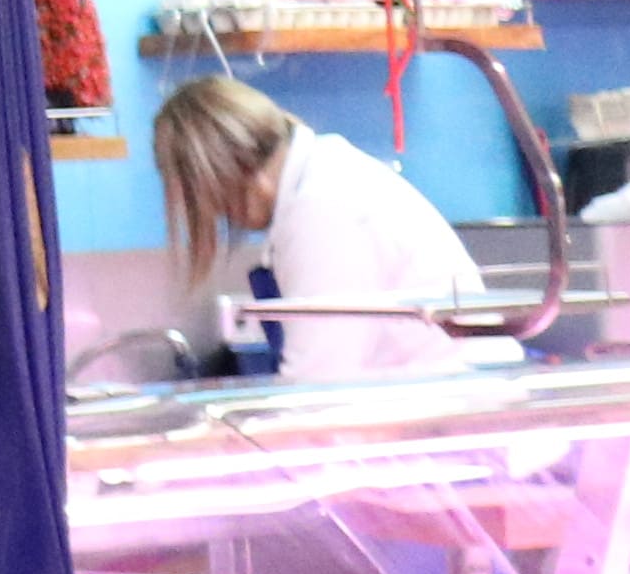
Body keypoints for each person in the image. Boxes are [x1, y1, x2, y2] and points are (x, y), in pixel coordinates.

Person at [152, 69, 489, 379]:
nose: (221, 215)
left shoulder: (321, 209)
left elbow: (318, 383)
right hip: (429, 406)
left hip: (447, 412)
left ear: (231, 173)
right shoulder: (324, 175)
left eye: (212, 199)